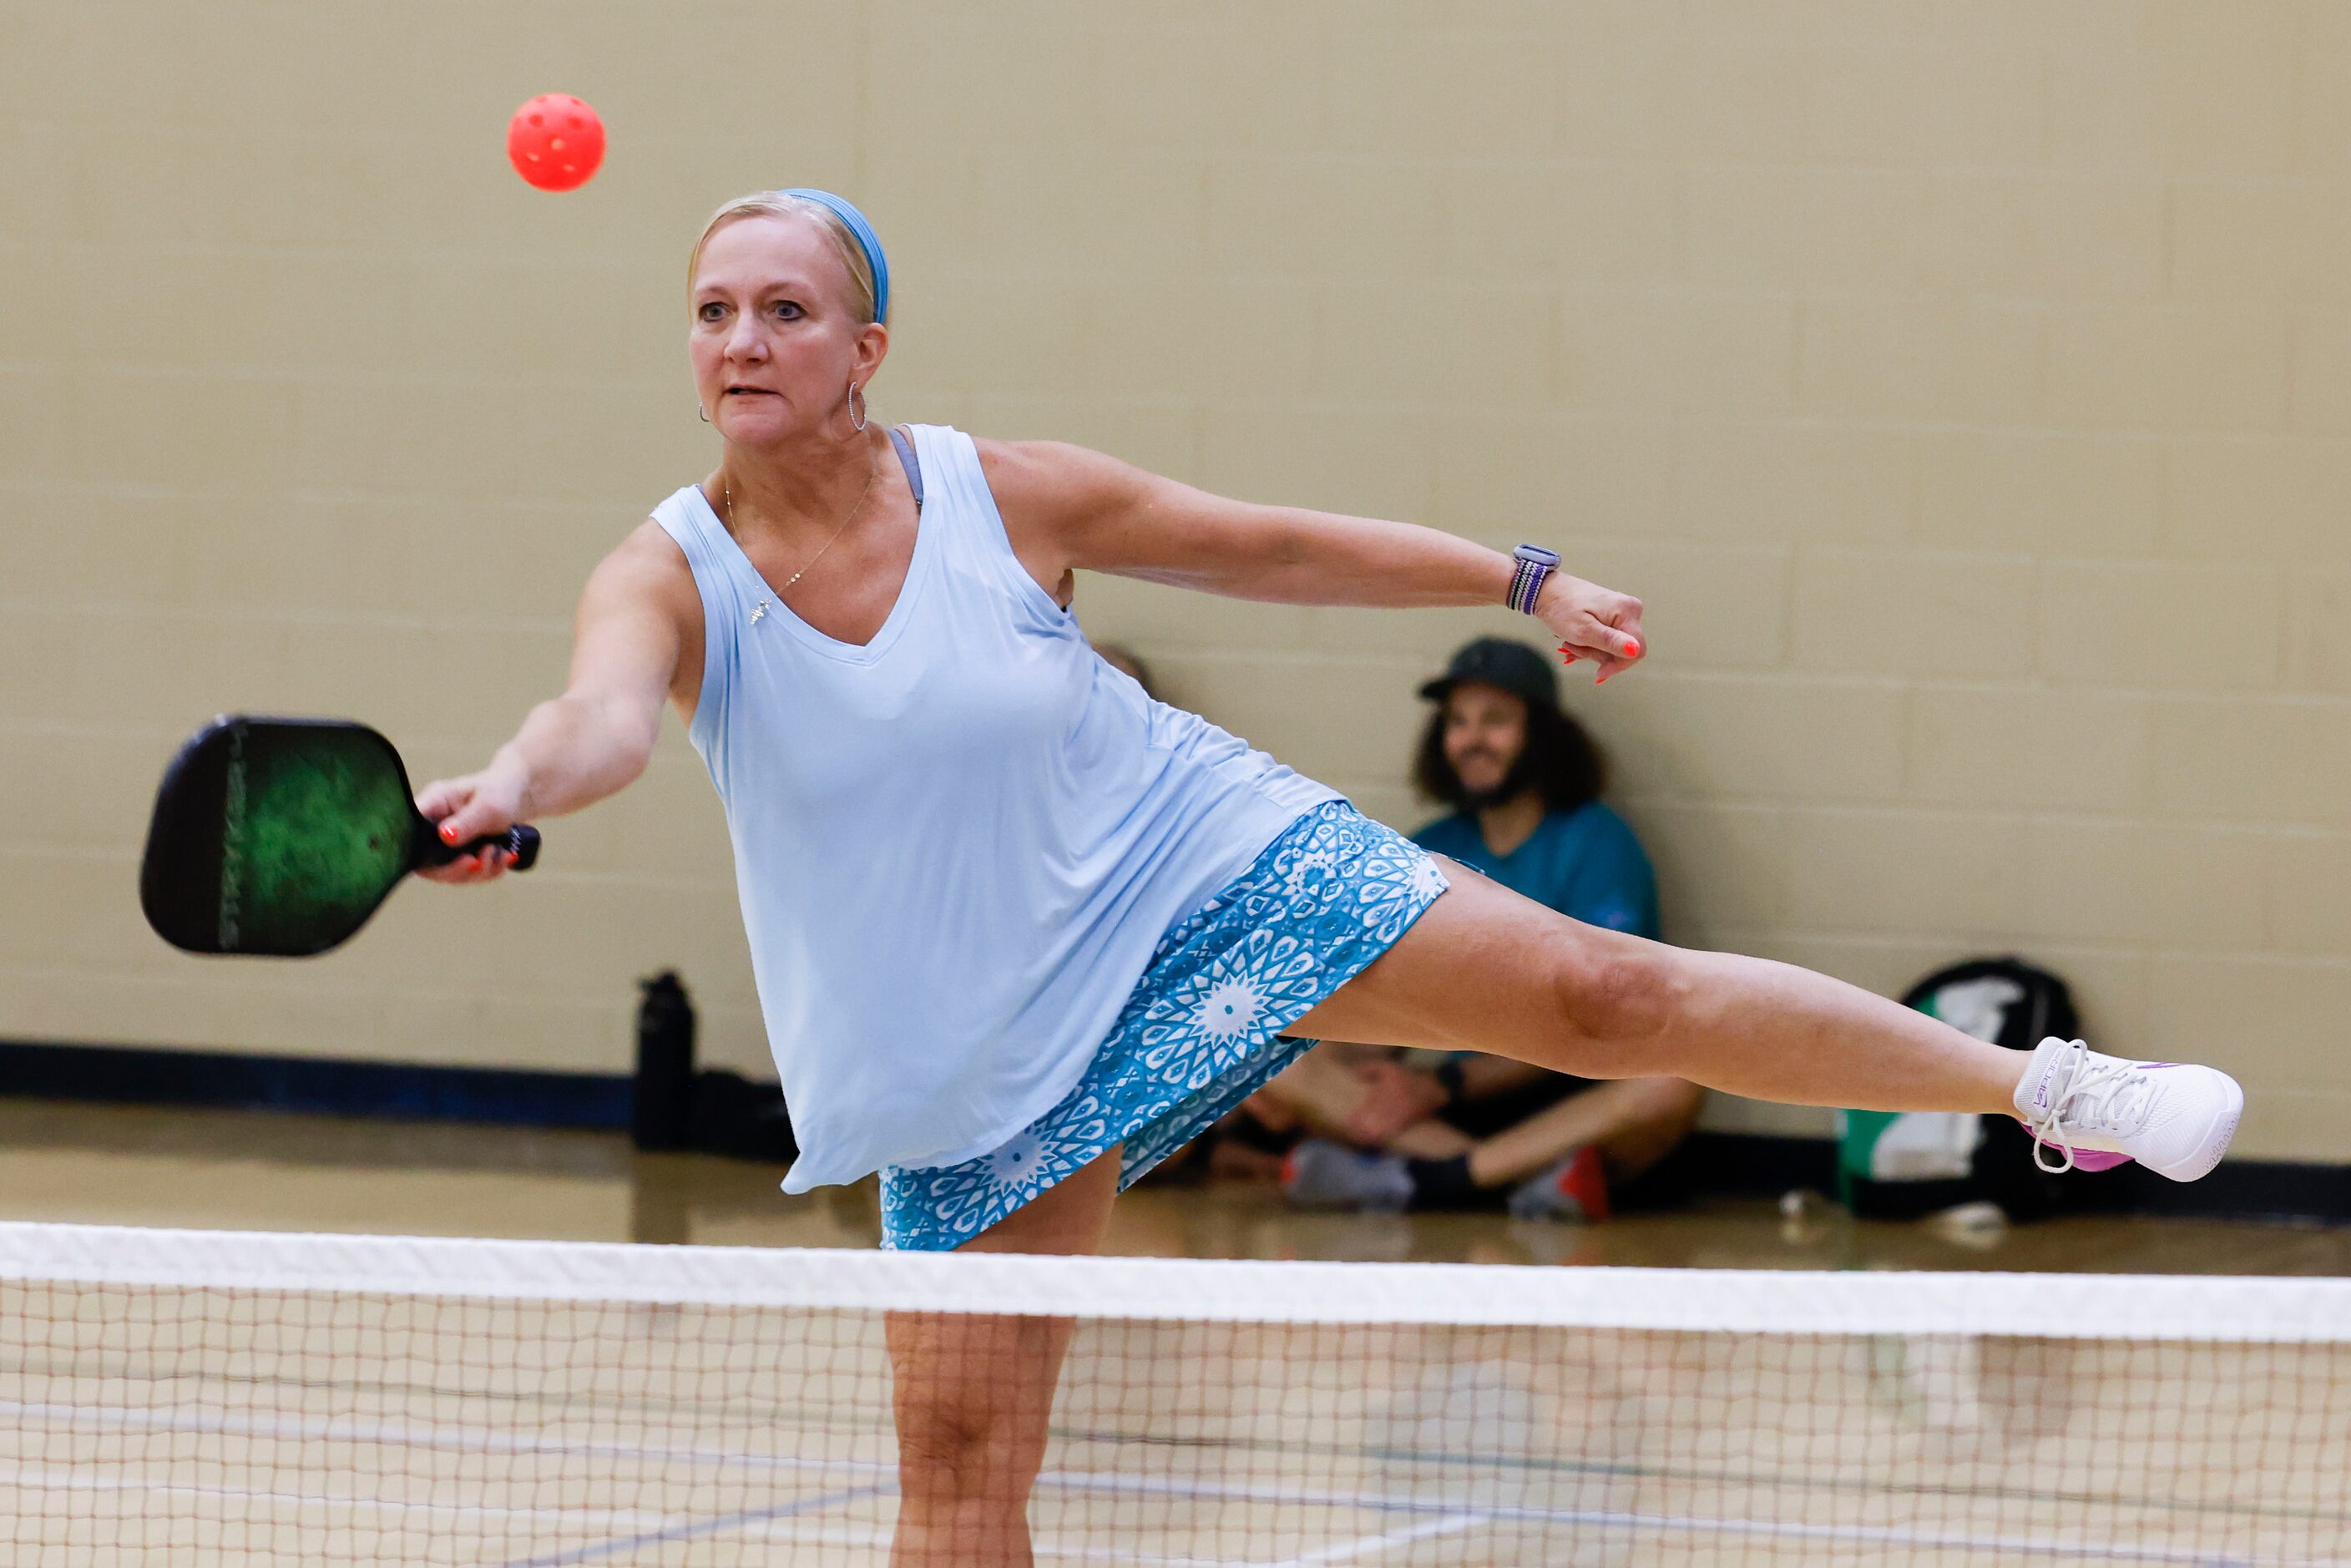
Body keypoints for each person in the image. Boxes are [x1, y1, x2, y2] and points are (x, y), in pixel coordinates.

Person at [412, 189, 2245, 1566]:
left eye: (786, 308)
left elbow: (1271, 548)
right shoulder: (666, 570)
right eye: (713, 310)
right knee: (962, 1479)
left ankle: (2048, 1091)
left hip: (1188, 864)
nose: (743, 338)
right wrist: (506, 782)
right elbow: (599, 721)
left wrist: (1515, 581)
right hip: (974, 1038)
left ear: (865, 347)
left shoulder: (1007, 493)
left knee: (1608, 996)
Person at [1269, 636, 1703, 1222]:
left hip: (1561, 1092)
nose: (1472, 739)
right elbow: (1388, 992)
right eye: (1458, 721)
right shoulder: (1432, 847)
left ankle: (1426, 1181)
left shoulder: (1599, 842)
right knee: (1272, 1051)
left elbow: (1603, 1013)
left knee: (1674, 1083)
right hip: (1443, 1103)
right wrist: (1349, 1056)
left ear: (1541, 734)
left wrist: (1443, 1085)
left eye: (1495, 720)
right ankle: (1505, 1177)